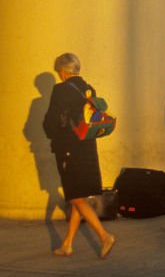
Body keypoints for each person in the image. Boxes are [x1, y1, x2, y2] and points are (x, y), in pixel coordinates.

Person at [42, 53, 116, 258]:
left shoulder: (61, 89)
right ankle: (67, 244)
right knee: (79, 195)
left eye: (59, 72)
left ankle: (104, 236)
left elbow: (51, 120)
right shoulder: (88, 89)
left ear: (63, 71)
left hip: (69, 148)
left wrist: (51, 134)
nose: (59, 75)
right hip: (87, 146)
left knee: (75, 196)